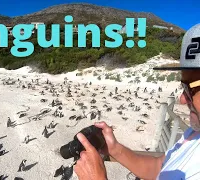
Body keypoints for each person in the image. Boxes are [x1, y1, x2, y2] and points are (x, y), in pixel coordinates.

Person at [74, 23, 200, 180]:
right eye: (182, 87)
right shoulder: (195, 133)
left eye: (190, 89)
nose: (182, 99)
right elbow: (160, 166)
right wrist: (115, 149)